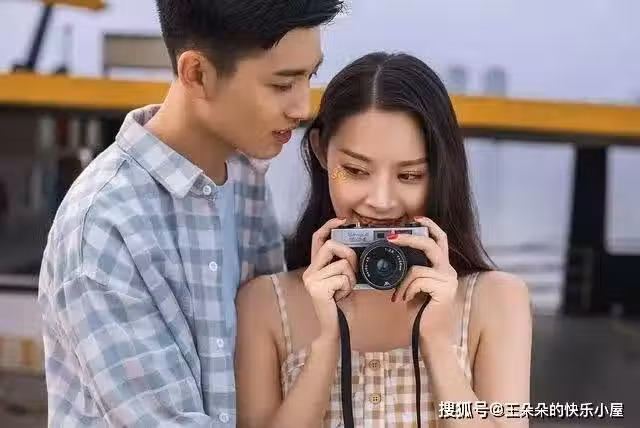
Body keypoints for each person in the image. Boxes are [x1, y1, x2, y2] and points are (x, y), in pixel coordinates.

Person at [37, 1, 344, 426]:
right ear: (197, 74)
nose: (302, 108)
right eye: (282, 84)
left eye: (309, 77)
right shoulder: (105, 226)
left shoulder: (244, 178)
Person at [235, 52, 532, 427]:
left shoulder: (497, 299)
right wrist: (327, 344)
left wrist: (436, 343)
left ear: (441, 172)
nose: (380, 200)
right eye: (355, 170)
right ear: (321, 152)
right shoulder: (264, 304)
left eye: (409, 176)